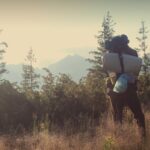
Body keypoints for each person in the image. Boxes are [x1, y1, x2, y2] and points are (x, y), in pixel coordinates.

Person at [105, 34, 146, 137]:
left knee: (117, 116)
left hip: (114, 89)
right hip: (130, 89)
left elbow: (107, 72)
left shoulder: (110, 55)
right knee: (138, 115)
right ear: (126, 42)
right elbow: (136, 72)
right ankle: (143, 137)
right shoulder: (132, 53)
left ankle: (119, 139)